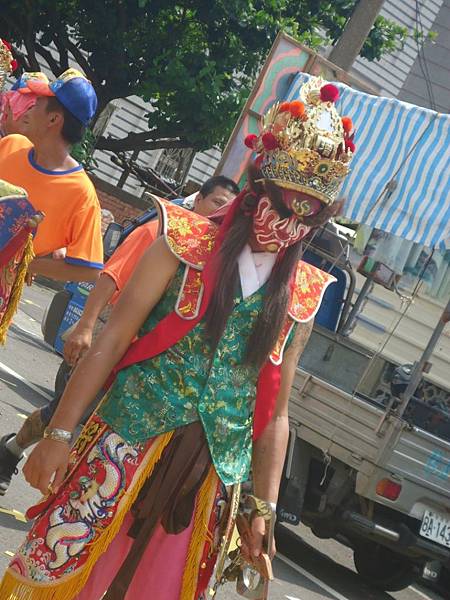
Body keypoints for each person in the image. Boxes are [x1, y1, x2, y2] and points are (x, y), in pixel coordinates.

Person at [0, 76, 355, 600]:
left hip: (209, 475)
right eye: (285, 206)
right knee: (67, 574)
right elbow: (114, 339)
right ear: (259, 190)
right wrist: (58, 435)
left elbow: (276, 413)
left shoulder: (303, 292)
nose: (290, 225)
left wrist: (265, 508)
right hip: (125, 439)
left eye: (309, 216)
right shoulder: (182, 240)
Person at [0, 175, 239, 495]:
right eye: (216, 204)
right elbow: (111, 276)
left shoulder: (214, 257)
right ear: (198, 201)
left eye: (228, 212)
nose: (220, 215)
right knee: (68, 415)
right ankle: (16, 452)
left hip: (150, 361)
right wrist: (86, 327)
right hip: (113, 337)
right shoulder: (161, 232)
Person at [0, 68, 103, 283]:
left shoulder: (80, 193)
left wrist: (23, 262)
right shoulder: (10, 145)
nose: (29, 108)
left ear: (53, 119)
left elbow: (90, 269)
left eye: (37, 103)